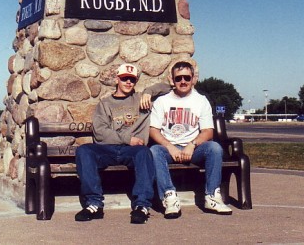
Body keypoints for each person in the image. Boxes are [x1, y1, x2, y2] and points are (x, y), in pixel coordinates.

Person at [75, 63, 167, 224]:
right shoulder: (105, 104)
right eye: (124, 79)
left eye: (132, 79)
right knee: (84, 150)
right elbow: (100, 132)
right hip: (107, 149)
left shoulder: (140, 99)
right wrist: (126, 139)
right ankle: (94, 204)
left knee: (145, 152)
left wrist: (148, 92)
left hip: (132, 151)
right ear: (117, 79)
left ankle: (141, 206)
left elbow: (168, 88)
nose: (128, 82)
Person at [148, 60, 232, 219]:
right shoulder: (162, 101)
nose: (183, 81)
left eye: (187, 77)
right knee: (154, 151)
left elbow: (208, 131)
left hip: (193, 149)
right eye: (178, 78)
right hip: (169, 148)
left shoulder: (201, 100)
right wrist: (169, 146)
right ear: (172, 80)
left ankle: (212, 196)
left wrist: (191, 145)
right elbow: (153, 130)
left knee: (214, 148)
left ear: (193, 79)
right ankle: (170, 198)